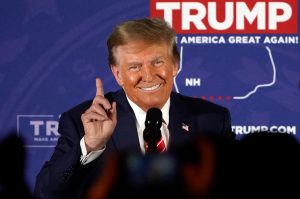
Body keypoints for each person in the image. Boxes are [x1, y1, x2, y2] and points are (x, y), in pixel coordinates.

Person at [34, 18, 235, 199]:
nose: (148, 76)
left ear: (175, 65)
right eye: (134, 67)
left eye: (158, 62)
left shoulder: (212, 120)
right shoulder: (82, 121)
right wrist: (89, 146)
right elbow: (46, 193)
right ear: (118, 74)